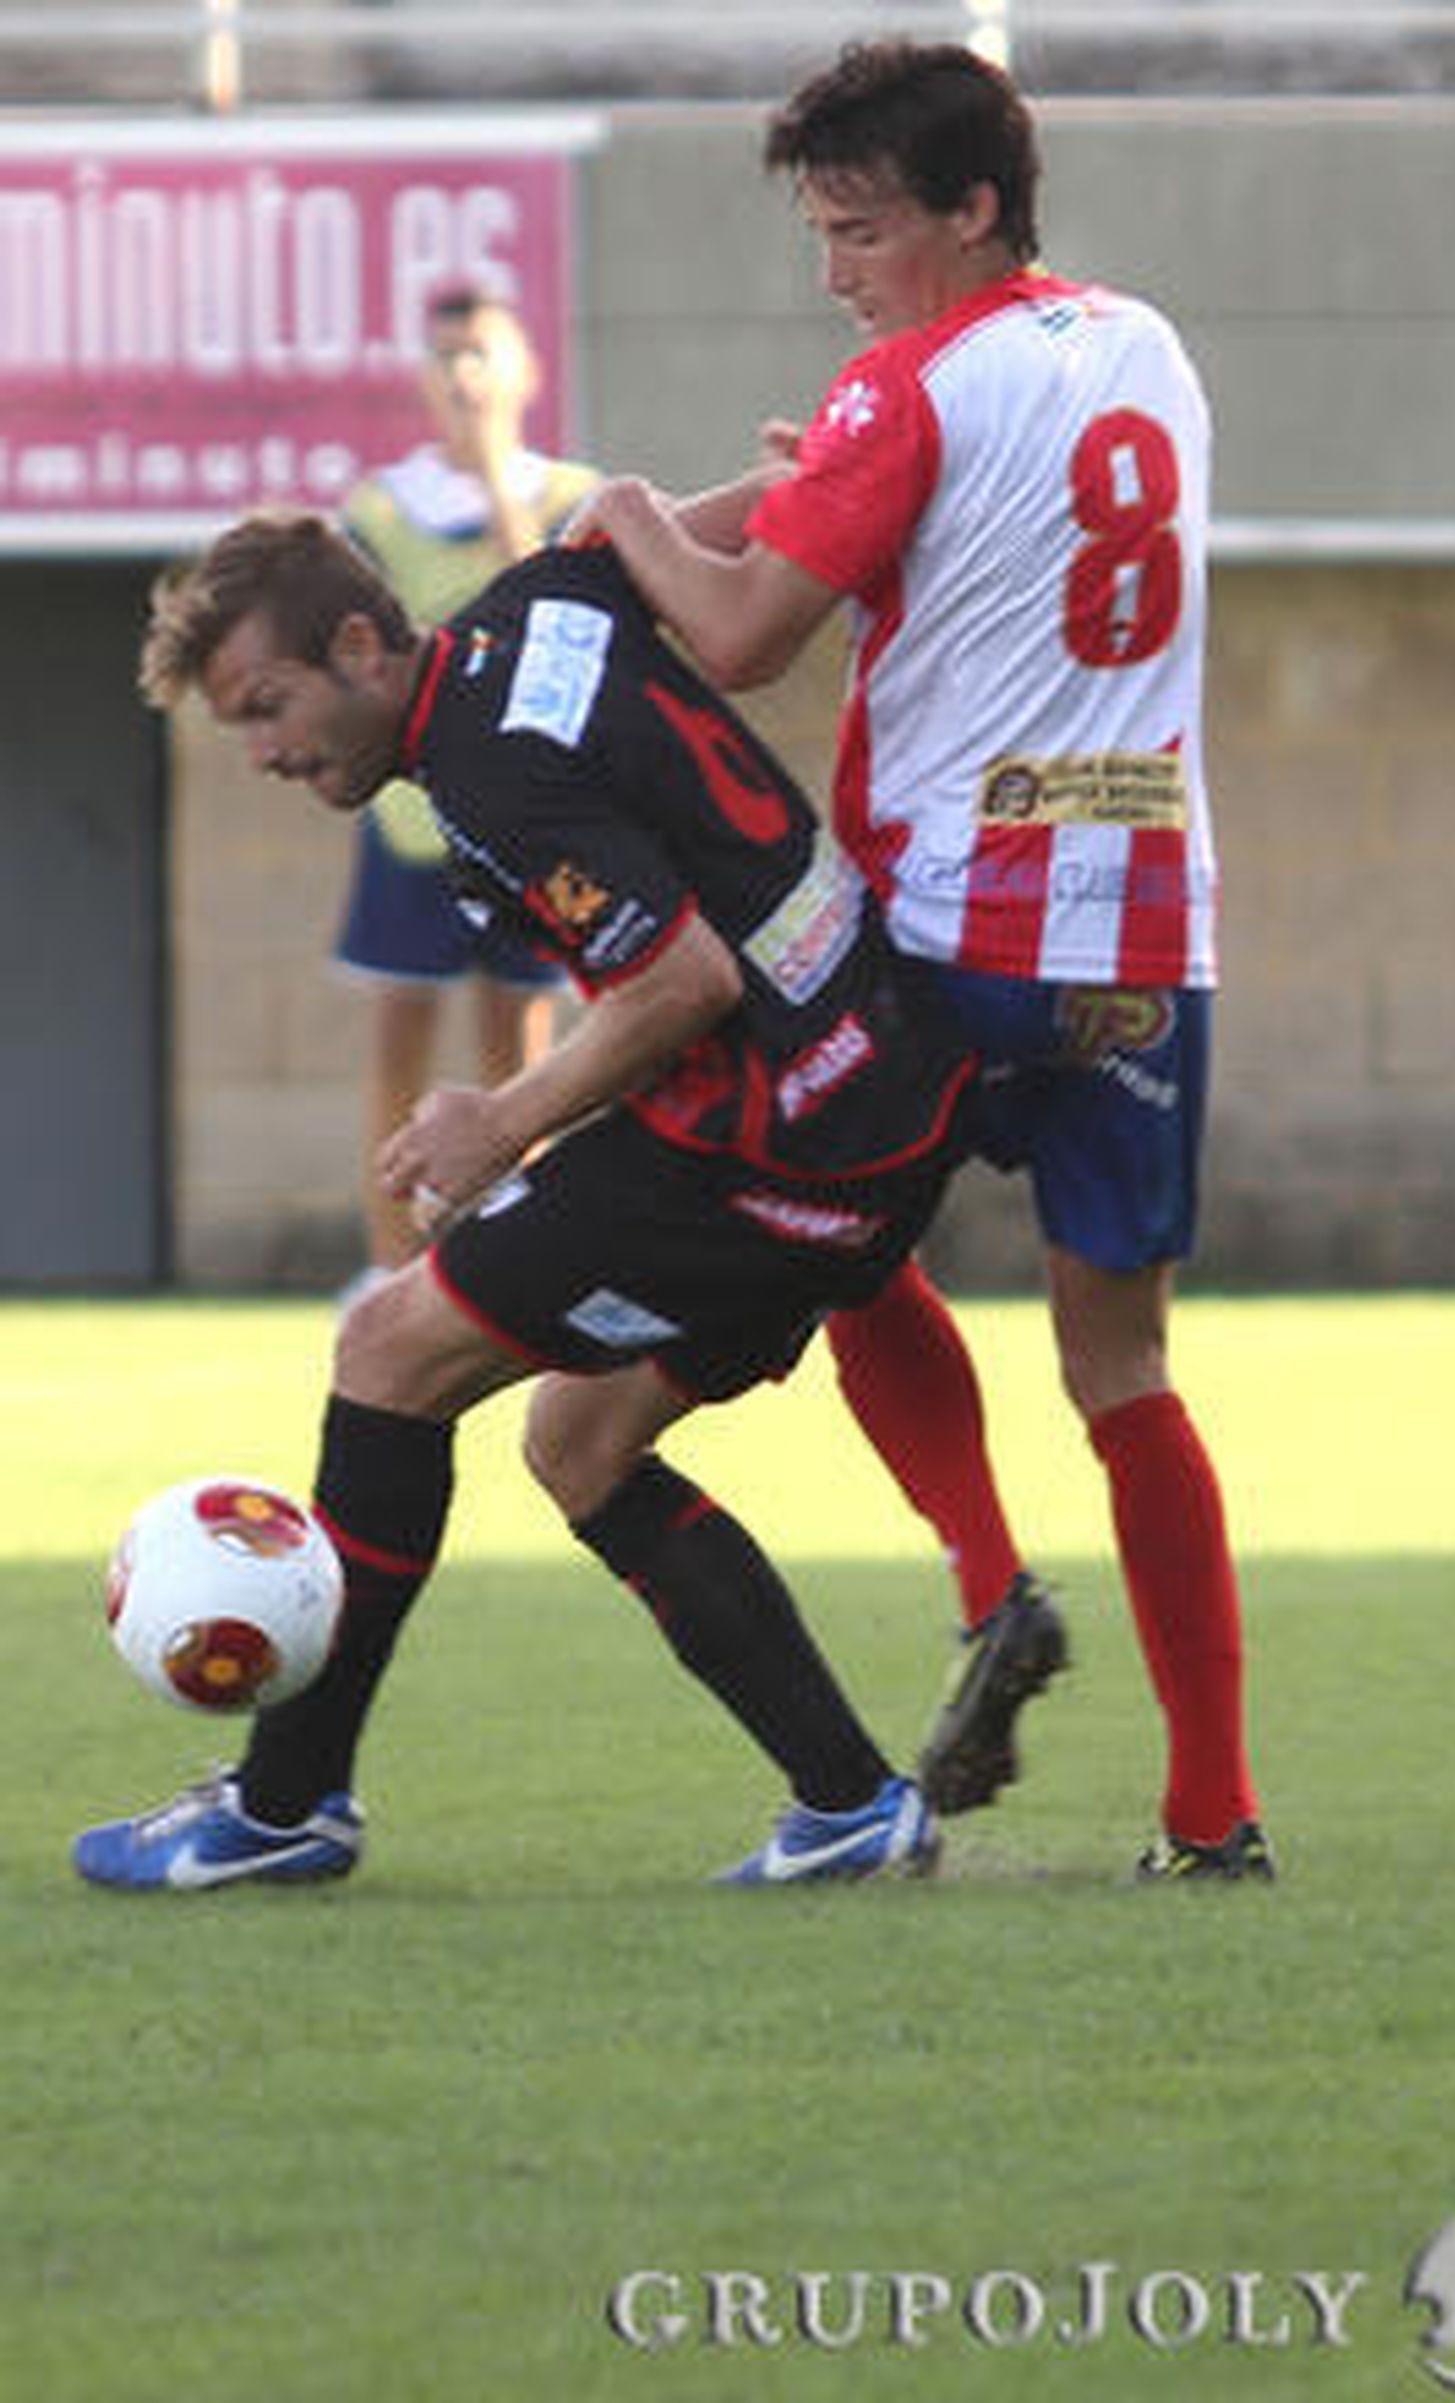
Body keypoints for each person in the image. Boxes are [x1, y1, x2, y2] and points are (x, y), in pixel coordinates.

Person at [574, 38, 1272, 1881]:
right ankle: (1215, 1819)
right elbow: (1015, 543)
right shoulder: (1147, 348)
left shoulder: (910, 386)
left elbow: (733, 636)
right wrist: (850, 486)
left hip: (949, 927)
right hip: (1143, 929)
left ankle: (984, 1577)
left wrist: (633, 506)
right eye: (822, 233)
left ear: (974, 208)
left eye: (864, 228)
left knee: (840, 1240)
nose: (838, 272)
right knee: (1125, 1369)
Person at [74, 512, 975, 1893]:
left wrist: (499, 1117)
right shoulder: (537, 599)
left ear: (364, 646)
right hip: (872, 1101)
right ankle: (851, 1803)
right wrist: (796, 491)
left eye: (272, 705)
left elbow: (684, 984)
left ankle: (281, 1806)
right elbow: (654, 538)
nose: (263, 750)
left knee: (388, 1354)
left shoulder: (484, 767)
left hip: (767, 1143)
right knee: (583, 1442)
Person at [334, 281, 600, 1273]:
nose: (462, 374)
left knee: (519, 1042)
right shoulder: (379, 508)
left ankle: (517, 1256)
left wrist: (495, 471)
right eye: (445, 355)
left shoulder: (569, 494)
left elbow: (555, 608)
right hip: (412, 826)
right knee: (398, 1035)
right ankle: (388, 1264)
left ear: (525, 368)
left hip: (528, 821)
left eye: (481, 351)